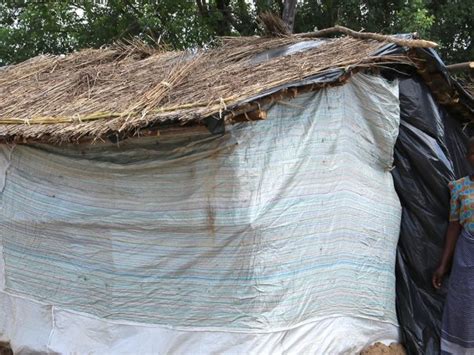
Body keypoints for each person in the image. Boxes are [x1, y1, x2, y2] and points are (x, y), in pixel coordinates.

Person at [432, 137, 474, 354]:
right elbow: (454, 227)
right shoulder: (459, 187)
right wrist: (443, 265)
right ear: (468, 157)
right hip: (467, 257)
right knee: (464, 306)